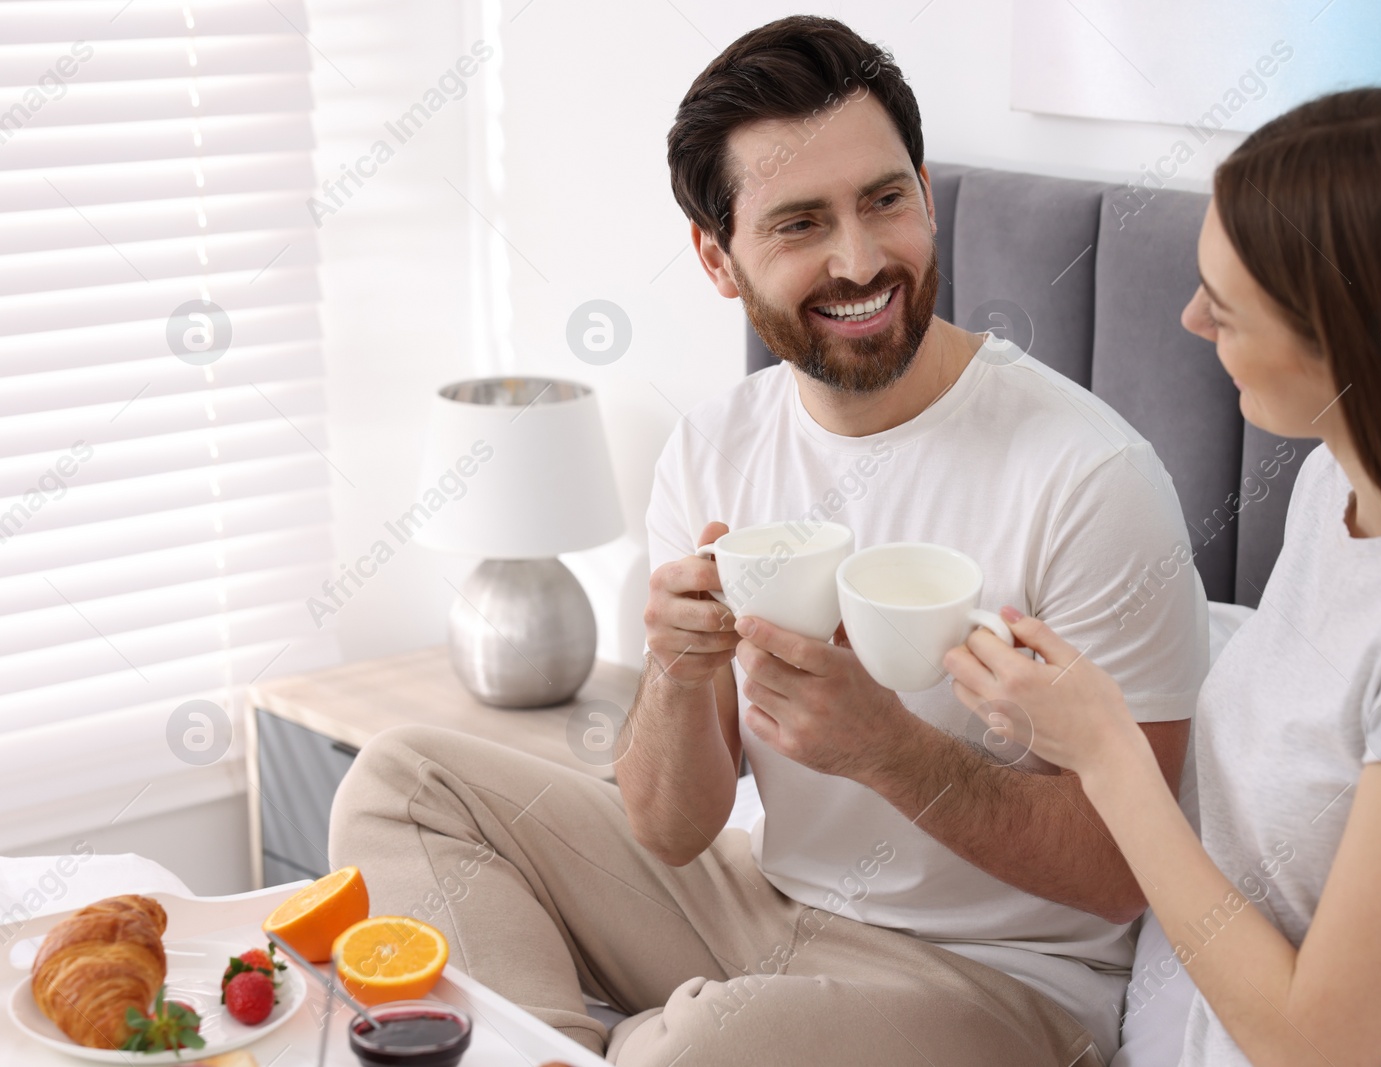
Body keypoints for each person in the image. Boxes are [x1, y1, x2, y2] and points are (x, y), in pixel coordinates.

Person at [330, 15, 1208, 1066]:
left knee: (688, 1048)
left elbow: (1128, 869)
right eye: (798, 224)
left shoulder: (1086, 476)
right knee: (399, 779)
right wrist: (672, 668)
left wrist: (889, 749)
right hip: (757, 900)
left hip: (998, 982)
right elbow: (669, 827)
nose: (860, 258)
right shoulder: (714, 448)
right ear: (717, 257)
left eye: (885, 199)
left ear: (925, 192)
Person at [946, 86, 1381, 1067]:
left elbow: (1319, 1045)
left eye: (1227, 304)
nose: (1188, 317)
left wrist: (1110, 759)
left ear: (1361, 344)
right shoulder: (1334, 486)